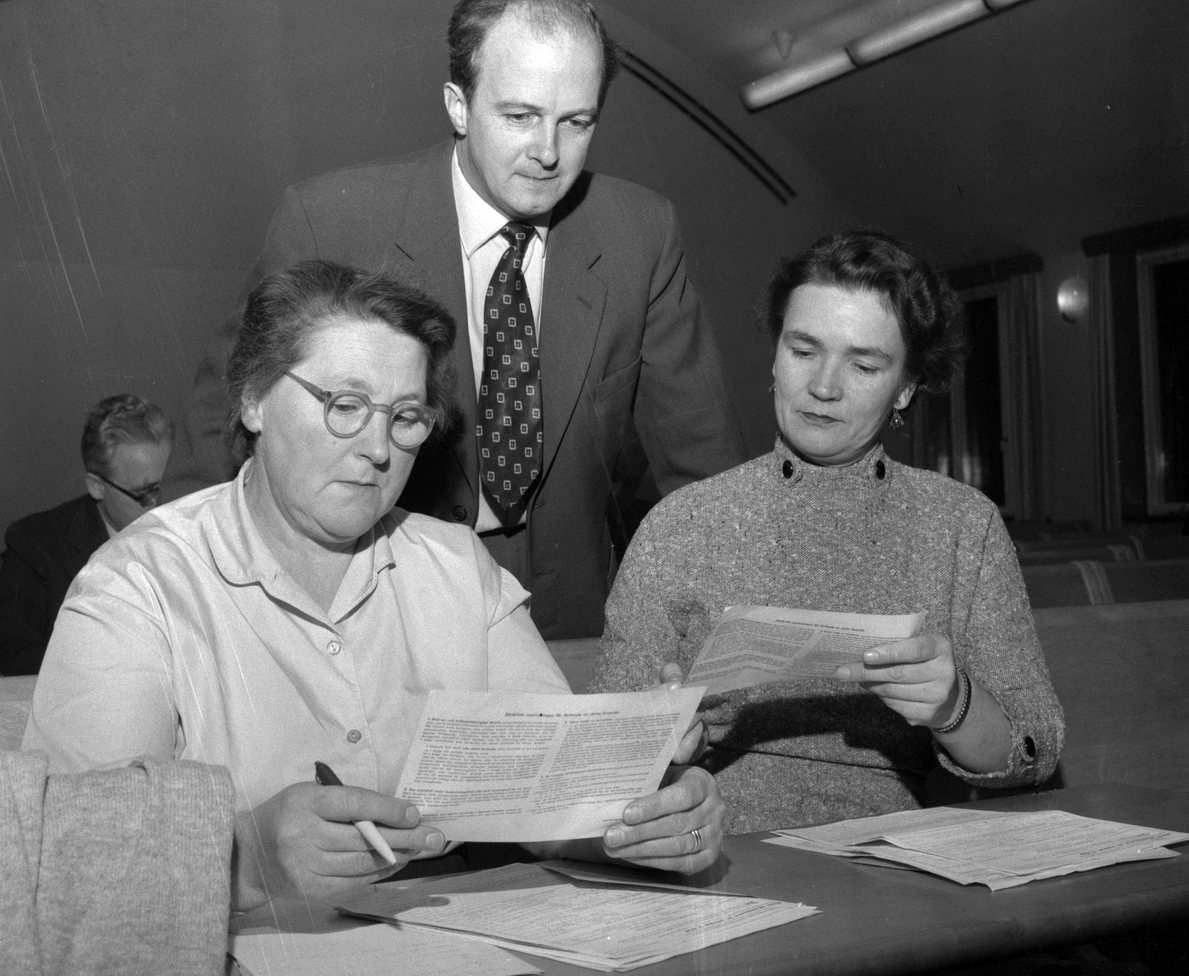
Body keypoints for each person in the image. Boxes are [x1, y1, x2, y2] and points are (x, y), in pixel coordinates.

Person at [24, 261, 725, 911]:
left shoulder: (456, 565)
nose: (378, 448)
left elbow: (550, 804)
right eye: (345, 404)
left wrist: (641, 819)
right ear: (254, 401)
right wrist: (248, 857)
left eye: (405, 417)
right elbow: (75, 864)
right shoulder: (137, 586)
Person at [164, 0, 746, 639]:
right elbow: (217, 442)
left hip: (573, 617)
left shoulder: (638, 233)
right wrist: (188, 619)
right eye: (520, 116)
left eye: (576, 122)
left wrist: (728, 636)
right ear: (459, 106)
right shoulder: (331, 223)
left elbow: (703, 467)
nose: (548, 152)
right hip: (375, 607)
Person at [589, 231, 1064, 832]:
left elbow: (1035, 750)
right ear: (775, 356)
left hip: (895, 850)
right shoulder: (681, 525)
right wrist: (657, 740)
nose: (824, 386)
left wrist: (952, 705)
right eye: (803, 350)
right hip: (717, 840)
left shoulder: (963, 526)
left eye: (863, 365)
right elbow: (599, 763)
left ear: (906, 388)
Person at [0, 393, 174, 675]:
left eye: (170, 485)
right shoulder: (34, 546)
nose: (162, 504)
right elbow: (17, 660)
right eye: (145, 493)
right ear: (97, 486)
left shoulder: (198, 523)